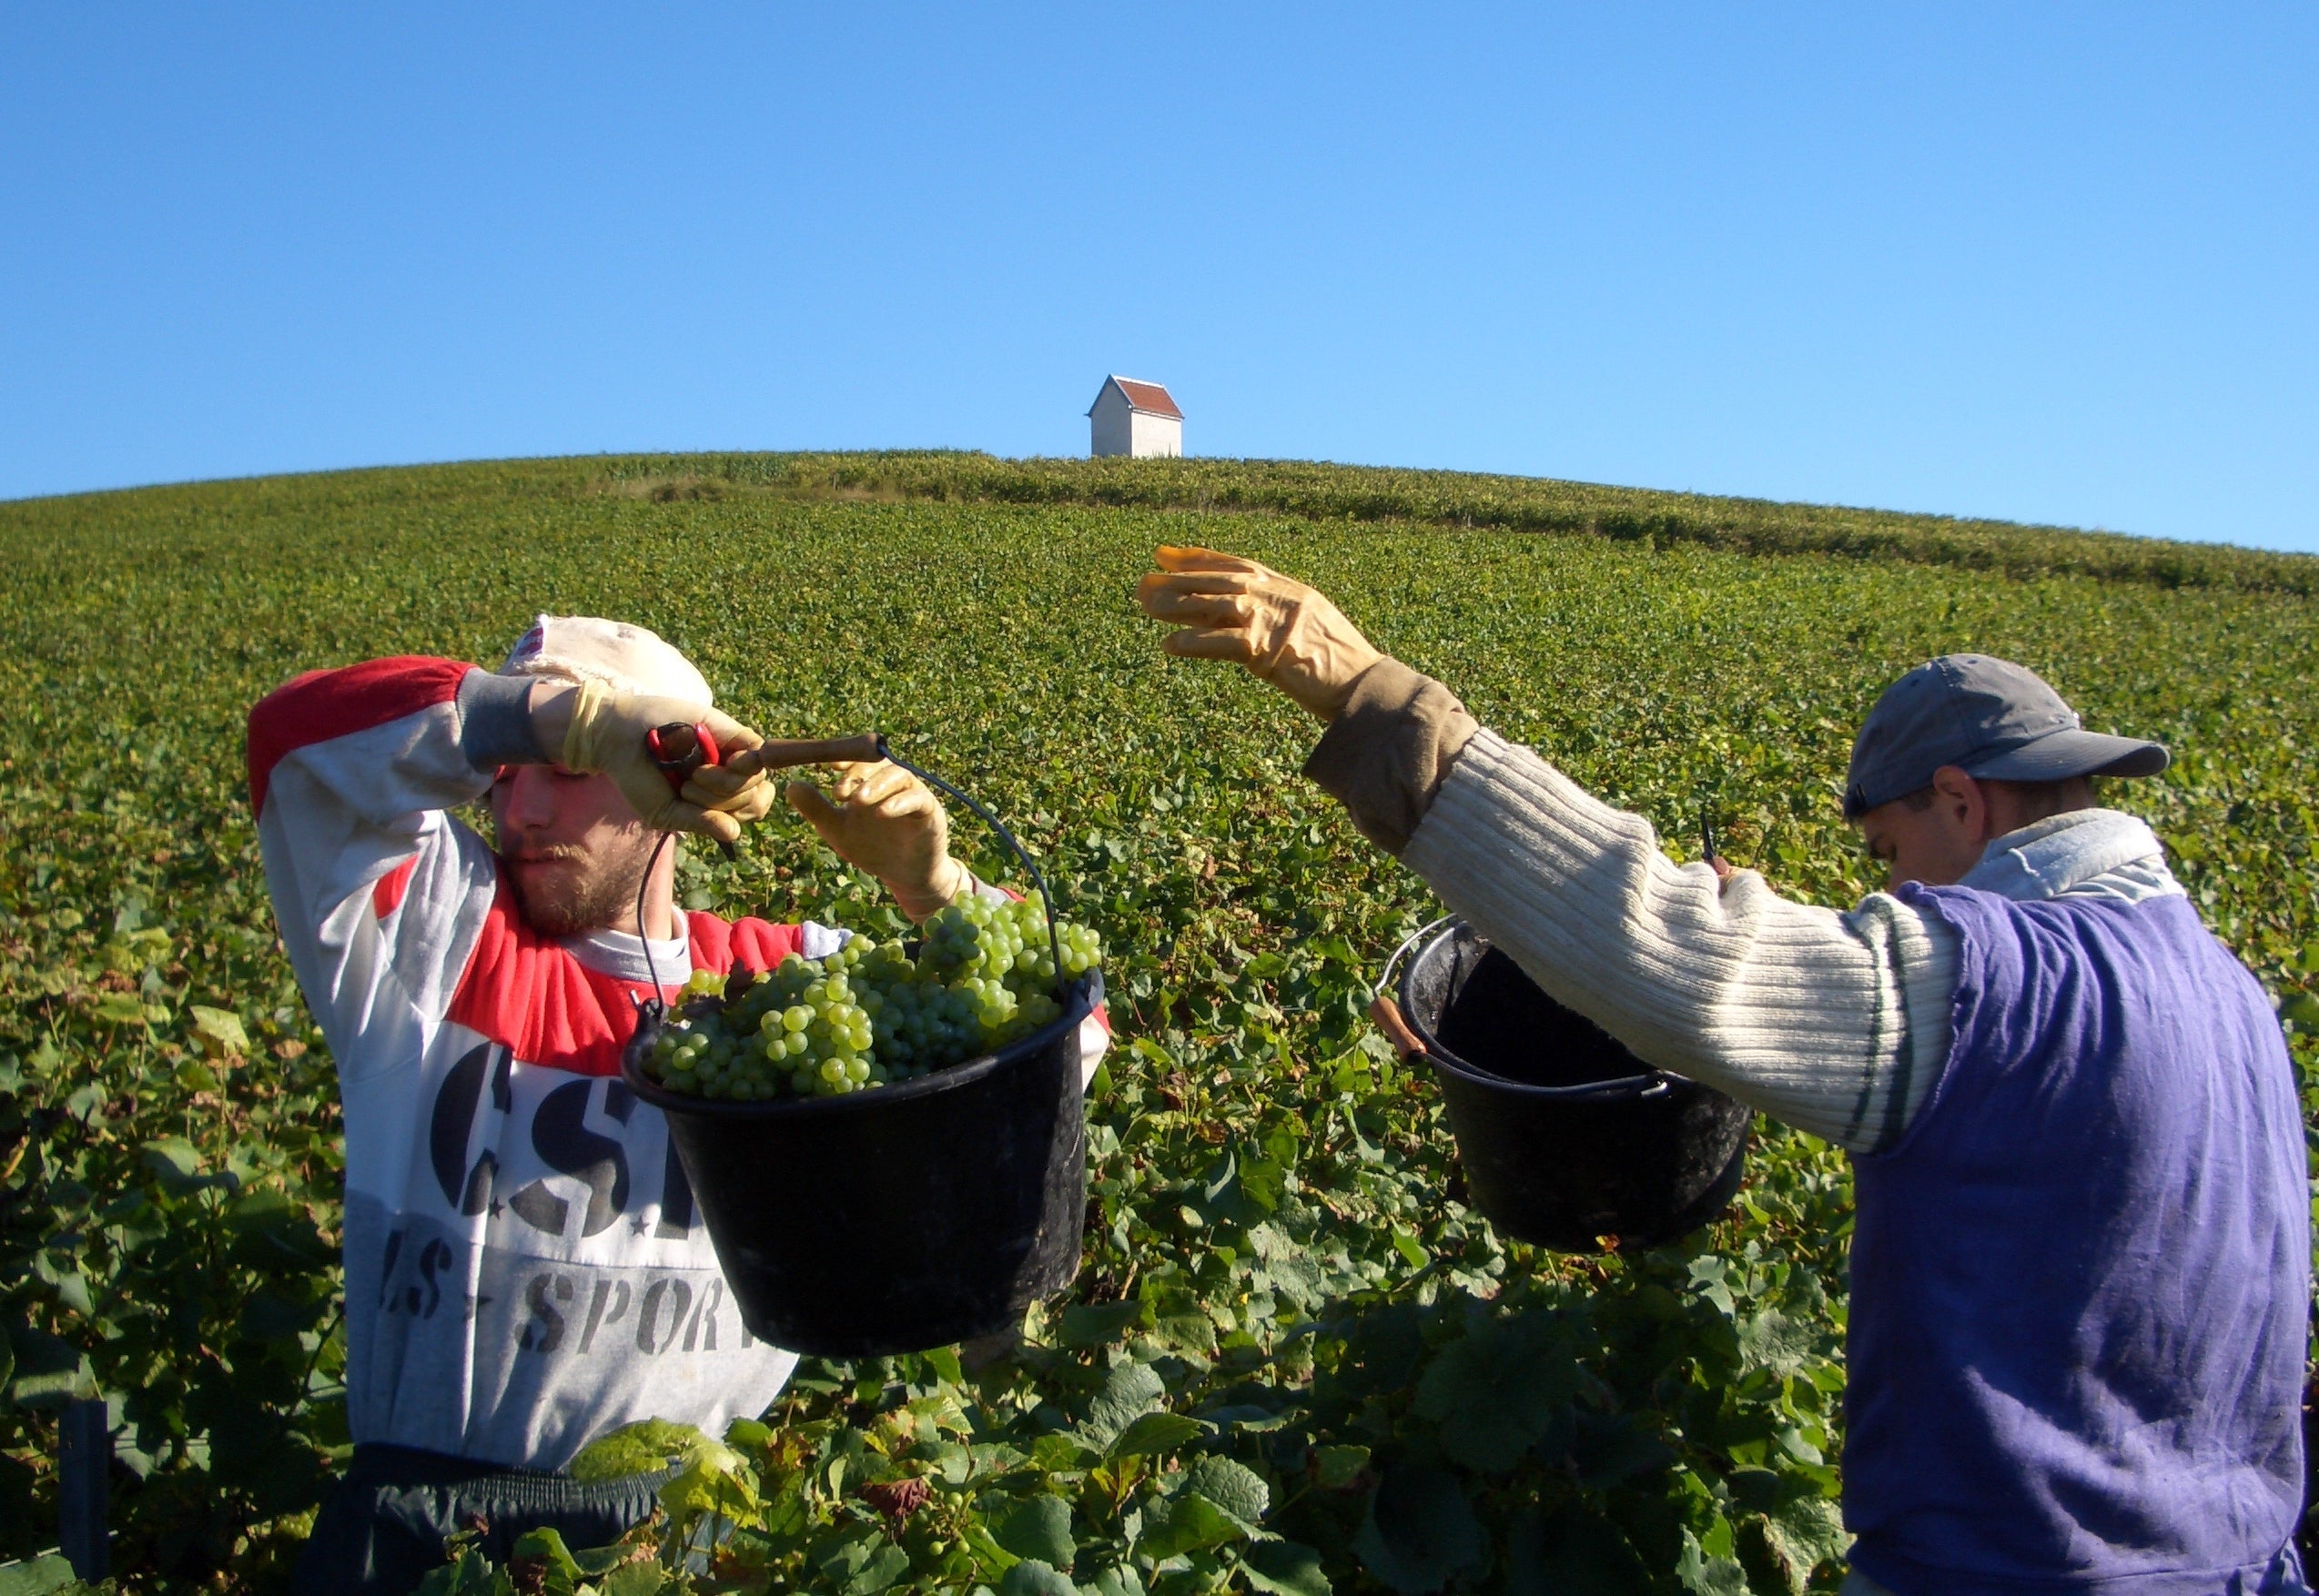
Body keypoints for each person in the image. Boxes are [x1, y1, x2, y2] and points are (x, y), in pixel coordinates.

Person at [1136, 546, 2309, 1596]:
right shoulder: (2233, 1000)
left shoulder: (2007, 981)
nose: (1893, 895)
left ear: (1961, 796)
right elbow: (2017, 1167)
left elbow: (1672, 954)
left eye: (1892, 855)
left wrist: (1371, 696)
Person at [248, 617, 1107, 1594]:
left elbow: (1070, 1041)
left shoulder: (789, 982)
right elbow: (295, 744)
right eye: (507, 769)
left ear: (677, 788)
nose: (519, 806)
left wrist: (933, 890)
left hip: (683, 1541)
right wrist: (562, 722)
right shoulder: (431, 941)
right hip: (423, 1537)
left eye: (567, 772)